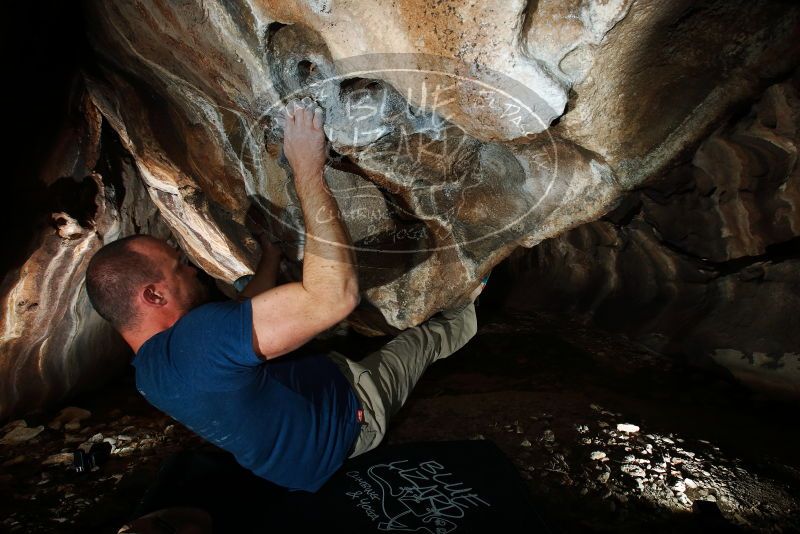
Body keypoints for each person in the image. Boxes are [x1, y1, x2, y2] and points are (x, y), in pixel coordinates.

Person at [85, 97, 483, 504]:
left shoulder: (150, 371)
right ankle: (474, 300)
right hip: (350, 422)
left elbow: (238, 320)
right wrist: (308, 170)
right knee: (418, 342)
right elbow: (334, 298)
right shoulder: (197, 342)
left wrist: (271, 257)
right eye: (178, 266)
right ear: (153, 294)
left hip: (292, 467)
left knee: (255, 297)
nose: (191, 268)